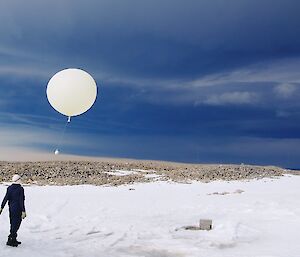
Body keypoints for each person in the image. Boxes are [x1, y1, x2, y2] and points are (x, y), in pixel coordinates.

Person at [0, 174, 26, 247]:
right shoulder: (20, 189)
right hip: (18, 210)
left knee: (13, 224)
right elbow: (21, 201)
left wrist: (1, 207)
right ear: (18, 180)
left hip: (11, 209)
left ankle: (13, 238)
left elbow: (6, 198)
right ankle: (11, 239)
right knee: (16, 224)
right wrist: (23, 211)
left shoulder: (9, 188)